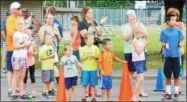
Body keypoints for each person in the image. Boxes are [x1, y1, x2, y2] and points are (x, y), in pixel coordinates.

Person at [78, 6, 107, 97]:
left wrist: (101, 25)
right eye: (89, 12)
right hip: (86, 48)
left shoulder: (94, 22)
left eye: (92, 12)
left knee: (95, 68)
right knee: (86, 69)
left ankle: (94, 90)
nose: (91, 14)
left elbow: (99, 34)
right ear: (85, 14)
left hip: (94, 47)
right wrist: (90, 30)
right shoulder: (82, 24)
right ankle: (86, 91)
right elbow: (84, 36)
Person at [121, 10, 148, 97]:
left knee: (141, 72)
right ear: (127, 18)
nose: (133, 17)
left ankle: (140, 91)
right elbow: (125, 38)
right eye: (131, 16)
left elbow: (146, 35)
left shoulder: (140, 25)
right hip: (129, 51)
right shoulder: (124, 26)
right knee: (131, 72)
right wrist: (133, 28)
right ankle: (130, 91)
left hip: (141, 51)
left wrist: (139, 26)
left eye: (134, 15)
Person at [160, 7, 185, 96]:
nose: (175, 22)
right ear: (168, 21)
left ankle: (177, 92)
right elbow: (162, 42)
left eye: (175, 20)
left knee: (177, 75)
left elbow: (181, 40)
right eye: (172, 20)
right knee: (167, 75)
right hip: (167, 56)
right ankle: (168, 92)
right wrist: (165, 45)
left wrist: (181, 44)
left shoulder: (178, 31)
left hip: (176, 56)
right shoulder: (164, 31)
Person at [39, 13, 62, 92]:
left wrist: (57, 34)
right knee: (50, 68)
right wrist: (50, 36)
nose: (50, 20)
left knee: (52, 68)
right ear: (46, 19)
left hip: (54, 50)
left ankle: (50, 88)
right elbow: (41, 40)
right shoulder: (43, 28)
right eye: (49, 18)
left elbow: (60, 39)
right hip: (46, 51)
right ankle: (47, 88)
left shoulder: (55, 27)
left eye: (52, 18)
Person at [11, 17, 30, 100]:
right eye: (18, 24)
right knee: (16, 76)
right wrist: (25, 44)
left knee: (22, 76)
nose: (20, 25)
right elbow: (15, 46)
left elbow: (28, 46)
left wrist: (29, 44)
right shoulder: (16, 34)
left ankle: (21, 93)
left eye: (21, 24)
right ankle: (14, 94)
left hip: (24, 57)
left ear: (24, 25)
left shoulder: (26, 35)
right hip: (17, 57)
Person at [6, 1, 22, 97]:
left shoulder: (20, 18)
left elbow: (23, 28)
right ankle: (10, 89)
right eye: (18, 8)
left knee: (18, 69)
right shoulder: (10, 19)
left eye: (20, 8)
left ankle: (16, 88)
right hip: (12, 48)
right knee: (10, 69)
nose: (20, 10)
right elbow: (11, 33)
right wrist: (20, 34)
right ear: (13, 10)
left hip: (20, 49)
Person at [131, 26, 150, 101]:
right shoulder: (134, 41)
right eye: (140, 33)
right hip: (138, 61)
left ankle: (137, 96)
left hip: (141, 60)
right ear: (136, 34)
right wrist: (145, 46)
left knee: (140, 79)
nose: (142, 35)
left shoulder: (138, 40)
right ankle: (134, 96)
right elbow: (138, 52)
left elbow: (145, 35)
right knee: (139, 79)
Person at [80, 34, 100, 101]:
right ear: (85, 40)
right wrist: (87, 57)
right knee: (84, 84)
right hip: (85, 69)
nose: (92, 40)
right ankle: (83, 97)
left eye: (93, 39)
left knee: (93, 84)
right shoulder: (82, 48)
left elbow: (98, 58)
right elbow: (81, 59)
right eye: (90, 39)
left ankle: (93, 97)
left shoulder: (96, 48)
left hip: (93, 69)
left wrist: (95, 57)